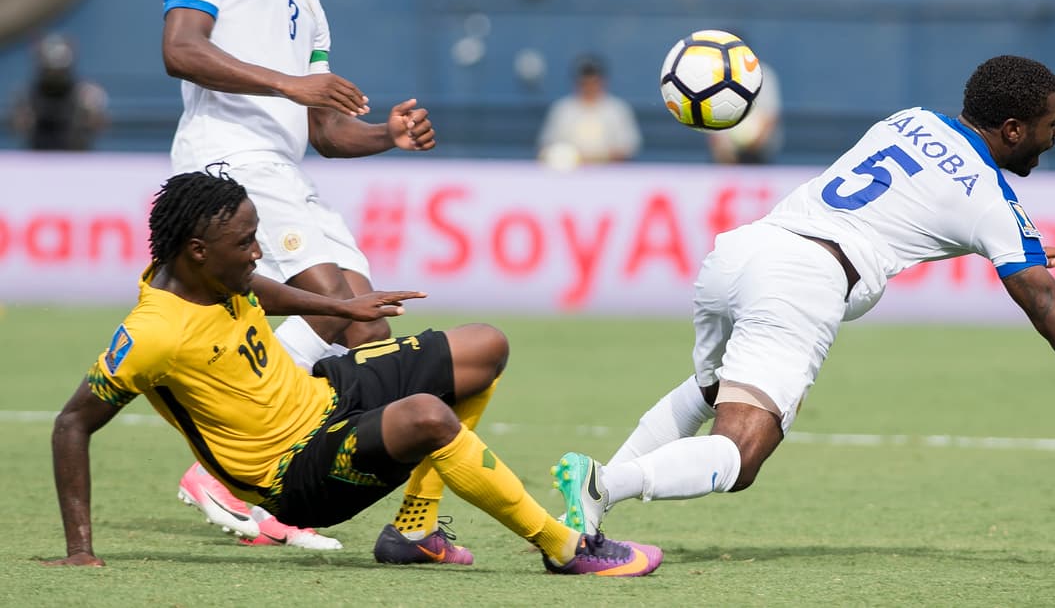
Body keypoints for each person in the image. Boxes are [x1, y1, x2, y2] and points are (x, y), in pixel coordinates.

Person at [550, 55, 1055, 538]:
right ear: (1014, 128)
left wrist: (1024, 245)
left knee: (706, 387)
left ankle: (585, 519)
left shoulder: (912, 119)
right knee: (741, 453)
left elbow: (915, 197)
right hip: (801, 281)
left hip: (744, 250)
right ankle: (602, 484)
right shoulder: (990, 199)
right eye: (1052, 122)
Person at [44, 170, 662, 576]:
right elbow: (72, 423)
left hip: (323, 395)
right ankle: (565, 548)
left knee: (484, 348)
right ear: (198, 252)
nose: (258, 251)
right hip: (294, 473)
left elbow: (257, 288)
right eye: (245, 242)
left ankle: (414, 532)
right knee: (428, 416)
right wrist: (79, 551)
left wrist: (342, 309)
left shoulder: (215, 273)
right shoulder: (151, 334)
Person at [158, 0, 459, 556]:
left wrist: (387, 132)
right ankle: (225, 472)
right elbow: (180, 49)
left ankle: (294, 478)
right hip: (227, 161)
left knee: (366, 326)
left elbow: (324, 128)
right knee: (330, 299)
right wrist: (289, 81)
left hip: (287, 172)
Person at [537, 55, 642, 167]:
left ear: (602, 81)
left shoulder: (617, 110)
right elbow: (546, 147)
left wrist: (598, 157)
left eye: (593, 81)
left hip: (609, 176)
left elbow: (628, 147)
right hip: (569, 176)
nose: (589, 87)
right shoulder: (562, 110)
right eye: (585, 82)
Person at [9, 33, 109, 150]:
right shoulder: (27, 96)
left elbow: (99, 125)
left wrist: (90, 116)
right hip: (38, 161)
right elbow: (18, 126)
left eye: (60, 70)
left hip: (77, 160)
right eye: (50, 70)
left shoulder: (86, 94)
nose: (56, 76)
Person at [707, 59, 782, 164]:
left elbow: (770, 116)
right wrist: (723, 148)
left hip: (759, 156)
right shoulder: (717, 74)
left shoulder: (764, 75)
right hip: (727, 157)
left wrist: (756, 143)